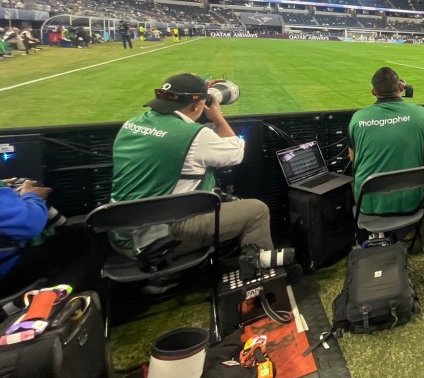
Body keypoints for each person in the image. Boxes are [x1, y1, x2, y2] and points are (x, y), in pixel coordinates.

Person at [111, 73, 287, 269]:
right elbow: (235, 153)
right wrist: (218, 118)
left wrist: (198, 90)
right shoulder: (194, 135)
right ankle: (262, 273)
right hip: (156, 239)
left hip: (119, 231)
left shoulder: (132, 124)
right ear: (197, 106)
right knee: (257, 210)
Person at [348, 67, 424, 215]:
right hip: (411, 200)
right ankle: (404, 232)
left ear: (373, 92)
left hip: (368, 203)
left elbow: (353, 158)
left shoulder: (358, 118)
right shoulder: (421, 114)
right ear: (401, 87)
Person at [0, 179, 103, 298]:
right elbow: (30, 223)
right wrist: (32, 196)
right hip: (7, 272)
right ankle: (56, 303)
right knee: (84, 237)